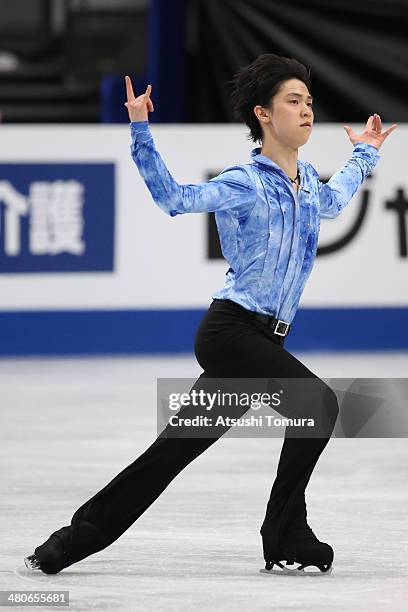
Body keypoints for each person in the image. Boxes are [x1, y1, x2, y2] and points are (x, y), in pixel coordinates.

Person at [25, 54, 397, 576]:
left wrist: (365, 155)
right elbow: (174, 198)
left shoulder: (309, 182)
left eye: (309, 101)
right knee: (318, 405)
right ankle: (284, 531)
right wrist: (140, 128)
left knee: (172, 453)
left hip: (264, 343)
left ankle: (66, 544)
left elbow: (334, 203)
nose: (306, 110)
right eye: (294, 101)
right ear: (263, 114)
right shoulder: (245, 180)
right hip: (231, 331)